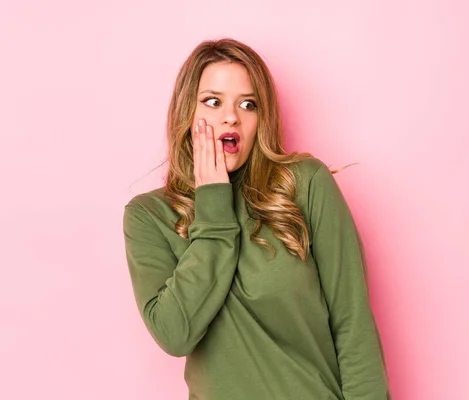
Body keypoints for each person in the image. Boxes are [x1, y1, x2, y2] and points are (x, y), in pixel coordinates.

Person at [122, 37, 391, 399]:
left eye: (248, 104)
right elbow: (175, 334)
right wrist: (213, 205)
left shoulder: (304, 184)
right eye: (212, 101)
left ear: (260, 119)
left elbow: (352, 322)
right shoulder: (149, 216)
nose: (230, 116)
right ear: (187, 112)